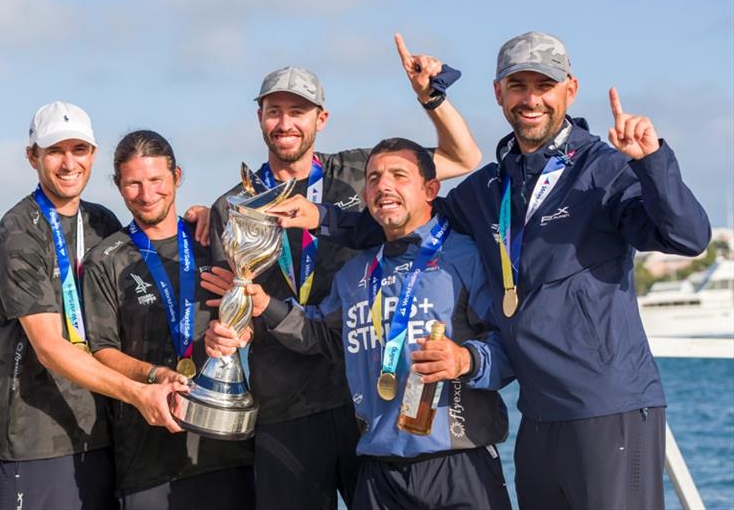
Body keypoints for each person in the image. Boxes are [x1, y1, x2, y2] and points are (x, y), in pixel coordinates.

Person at [274, 31, 712, 510]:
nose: (530, 99)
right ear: (499, 93)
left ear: (570, 89)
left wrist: (652, 163)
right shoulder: (487, 189)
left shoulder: (602, 169)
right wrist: (327, 218)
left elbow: (686, 237)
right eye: (517, 85)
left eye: (543, 85)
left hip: (606, 403)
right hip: (536, 410)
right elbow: (411, 219)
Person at [201, 34, 485, 509]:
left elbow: (464, 158)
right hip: (285, 405)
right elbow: (236, 306)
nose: (285, 122)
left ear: (321, 119)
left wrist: (430, 97)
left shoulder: (363, 171)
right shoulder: (231, 207)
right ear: (260, 119)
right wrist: (229, 335)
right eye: (274, 111)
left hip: (368, 403)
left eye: (298, 111)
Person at [0, 102, 189, 510]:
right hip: (39, 442)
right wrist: (137, 392)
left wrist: (196, 219)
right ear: (32, 157)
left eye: (79, 149)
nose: (68, 163)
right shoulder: (18, 235)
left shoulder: (103, 223)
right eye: (55, 151)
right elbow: (49, 347)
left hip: (105, 435)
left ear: (92, 156)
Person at [80, 130, 254, 509]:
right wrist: (155, 374)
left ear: (177, 177)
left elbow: (249, 316)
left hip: (227, 451)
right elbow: (101, 351)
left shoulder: (213, 239)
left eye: (156, 180)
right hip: (147, 461)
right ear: (118, 186)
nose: (146, 194)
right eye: (133, 184)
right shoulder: (105, 260)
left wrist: (239, 334)